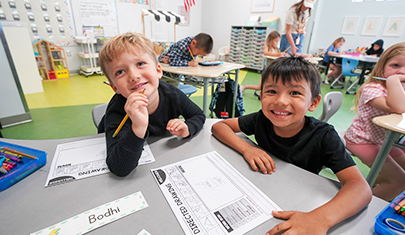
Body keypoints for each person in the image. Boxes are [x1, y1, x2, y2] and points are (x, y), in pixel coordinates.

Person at [211, 55, 371, 235]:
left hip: (302, 203)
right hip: (265, 194)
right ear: (261, 95)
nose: (280, 101)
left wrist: (320, 218)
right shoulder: (261, 119)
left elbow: (360, 188)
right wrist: (247, 149)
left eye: (294, 93)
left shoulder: (324, 136)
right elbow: (219, 126)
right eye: (271, 91)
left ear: (313, 103)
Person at [98, 32, 206, 177]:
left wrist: (187, 128)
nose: (134, 76)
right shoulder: (118, 110)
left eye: (140, 64)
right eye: (120, 72)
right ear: (114, 87)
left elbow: (198, 115)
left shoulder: (172, 94)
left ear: (158, 70)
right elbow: (119, 168)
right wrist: (138, 127)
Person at [344, 42, 405, 201]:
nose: (402, 71)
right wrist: (394, 80)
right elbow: (398, 107)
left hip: (384, 140)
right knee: (400, 182)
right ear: (382, 67)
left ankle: (374, 183)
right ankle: (355, 205)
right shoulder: (372, 88)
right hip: (362, 141)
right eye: (395, 65)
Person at [241, 31, 287, 97]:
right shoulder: (267, 47)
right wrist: (278, 54)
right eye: (276, 41)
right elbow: (265, 53)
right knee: (259, 87)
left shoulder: (276, 49)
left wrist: (282, 55)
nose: (277, 43)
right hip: (266, 71)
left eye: (278, 41)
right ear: (270, 40)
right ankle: (244, 87)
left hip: (273, 71)